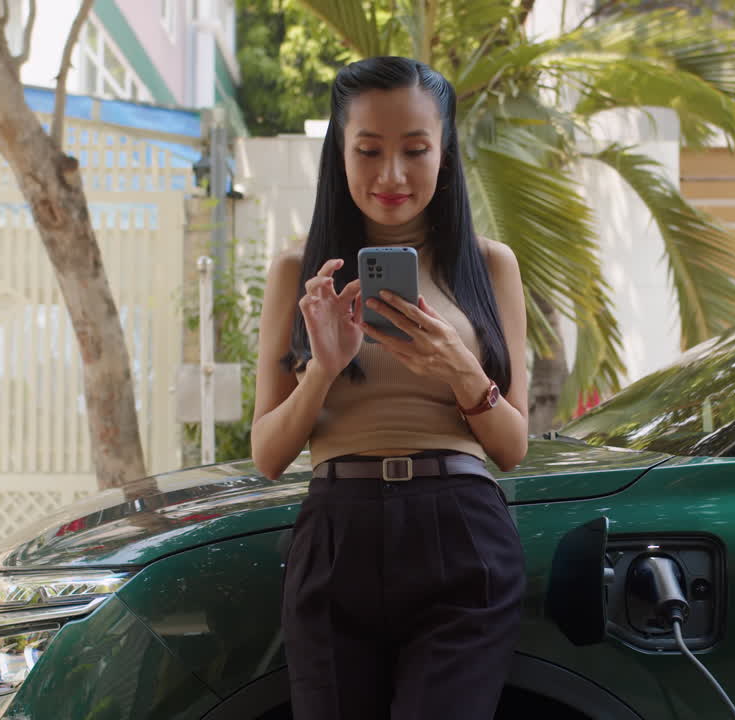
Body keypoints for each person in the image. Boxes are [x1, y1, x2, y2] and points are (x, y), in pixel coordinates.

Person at [250, 56, 530, 720]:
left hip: (461, 530)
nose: (392, 175)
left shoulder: (489, 266)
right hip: (336, 534)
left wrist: (459, 367)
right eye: (369, 151)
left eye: (416, 150)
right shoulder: (297, 272)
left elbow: (514, 447)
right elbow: (267, 454)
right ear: (339, 154)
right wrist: (324, 365)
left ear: (445, 151)